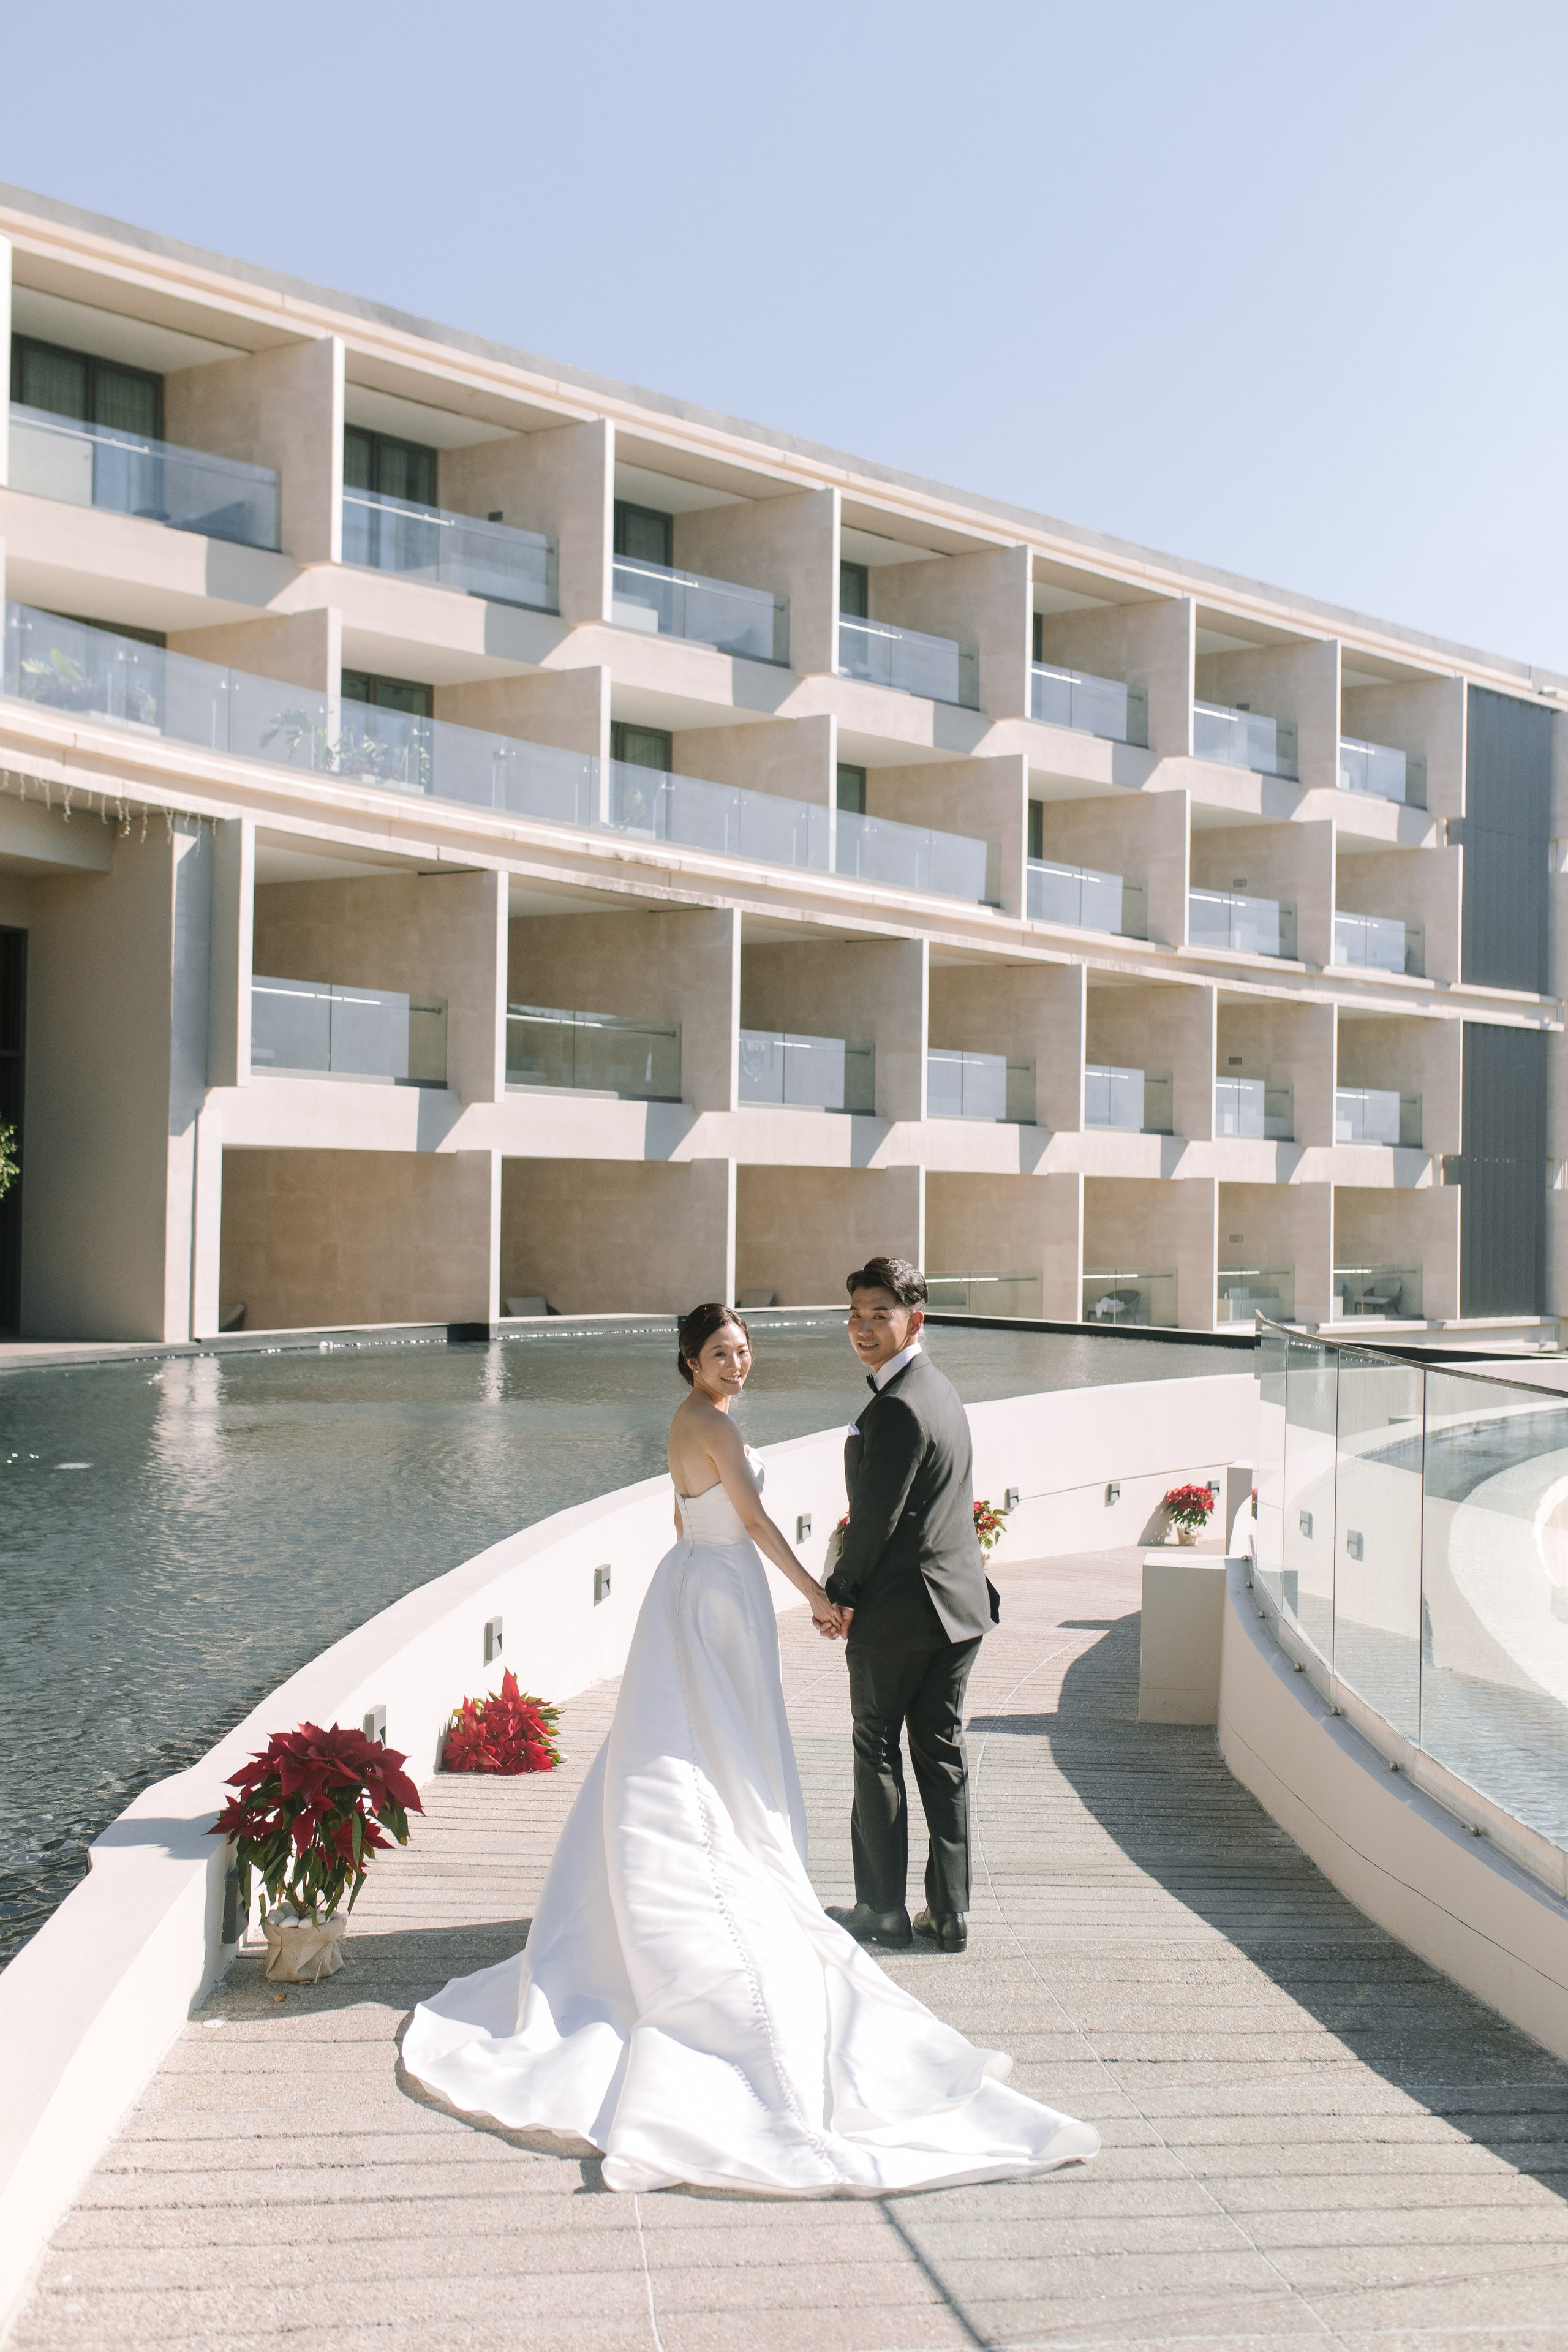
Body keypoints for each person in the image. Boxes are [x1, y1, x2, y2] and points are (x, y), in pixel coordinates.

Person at [401, 1302, 1096, 2196]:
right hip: (722, 1591)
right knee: (703, 1748)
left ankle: (710, 1858)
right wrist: (820, 1598)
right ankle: (713, 1880)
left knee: (695, 1742)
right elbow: (759, 1525)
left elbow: (683, 1519)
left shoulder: (694, 1423)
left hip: (699, 1584)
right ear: (690, 1360)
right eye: (722, 1354)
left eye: (743, 1350)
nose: (739, 1364)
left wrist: (719, 1566)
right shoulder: (710, 1424)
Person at [824, 1256, 992, 1956]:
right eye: (856, 1315)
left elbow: (875, 1522)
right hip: (959, 1609)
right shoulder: (939, 1389)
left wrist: (837, 1596)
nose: (863, 1329)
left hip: (899, 1614)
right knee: (942, 1754)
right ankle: (950, 1913)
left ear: (913, 1320)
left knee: (877, 1751)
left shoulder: (895, 1406)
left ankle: (883, 1912)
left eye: (879, 1316)